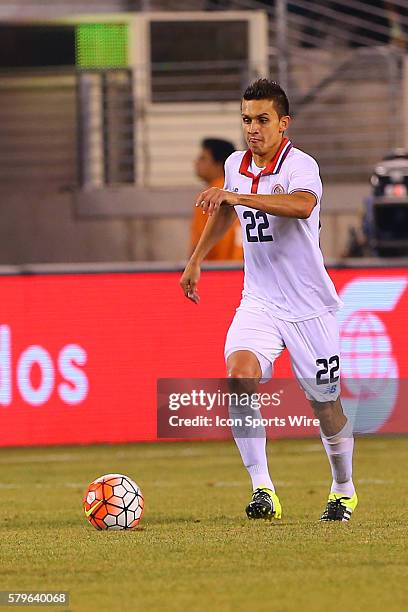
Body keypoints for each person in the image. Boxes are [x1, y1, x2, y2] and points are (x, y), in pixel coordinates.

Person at [180, 78, 357, 522]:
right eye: (246, 119)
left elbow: (299, 205)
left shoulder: (301, 165)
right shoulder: (236, 162)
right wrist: (196, 260)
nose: (252, 128)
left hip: (310, 307)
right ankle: (263, 489)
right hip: (258, 302)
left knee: (325, 405)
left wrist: (236, 194)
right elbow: (225, 212)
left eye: (262, 119)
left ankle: (343, 487)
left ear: (283, 123)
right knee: (239, 377)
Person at [191, 138, 243, 261]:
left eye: (203, 158)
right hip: (245, 271)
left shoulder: (208, 197)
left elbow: (197, 244)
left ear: (220, 164)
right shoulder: (242, 191)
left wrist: (192, 265)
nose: (196, 162)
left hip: (216, 272)